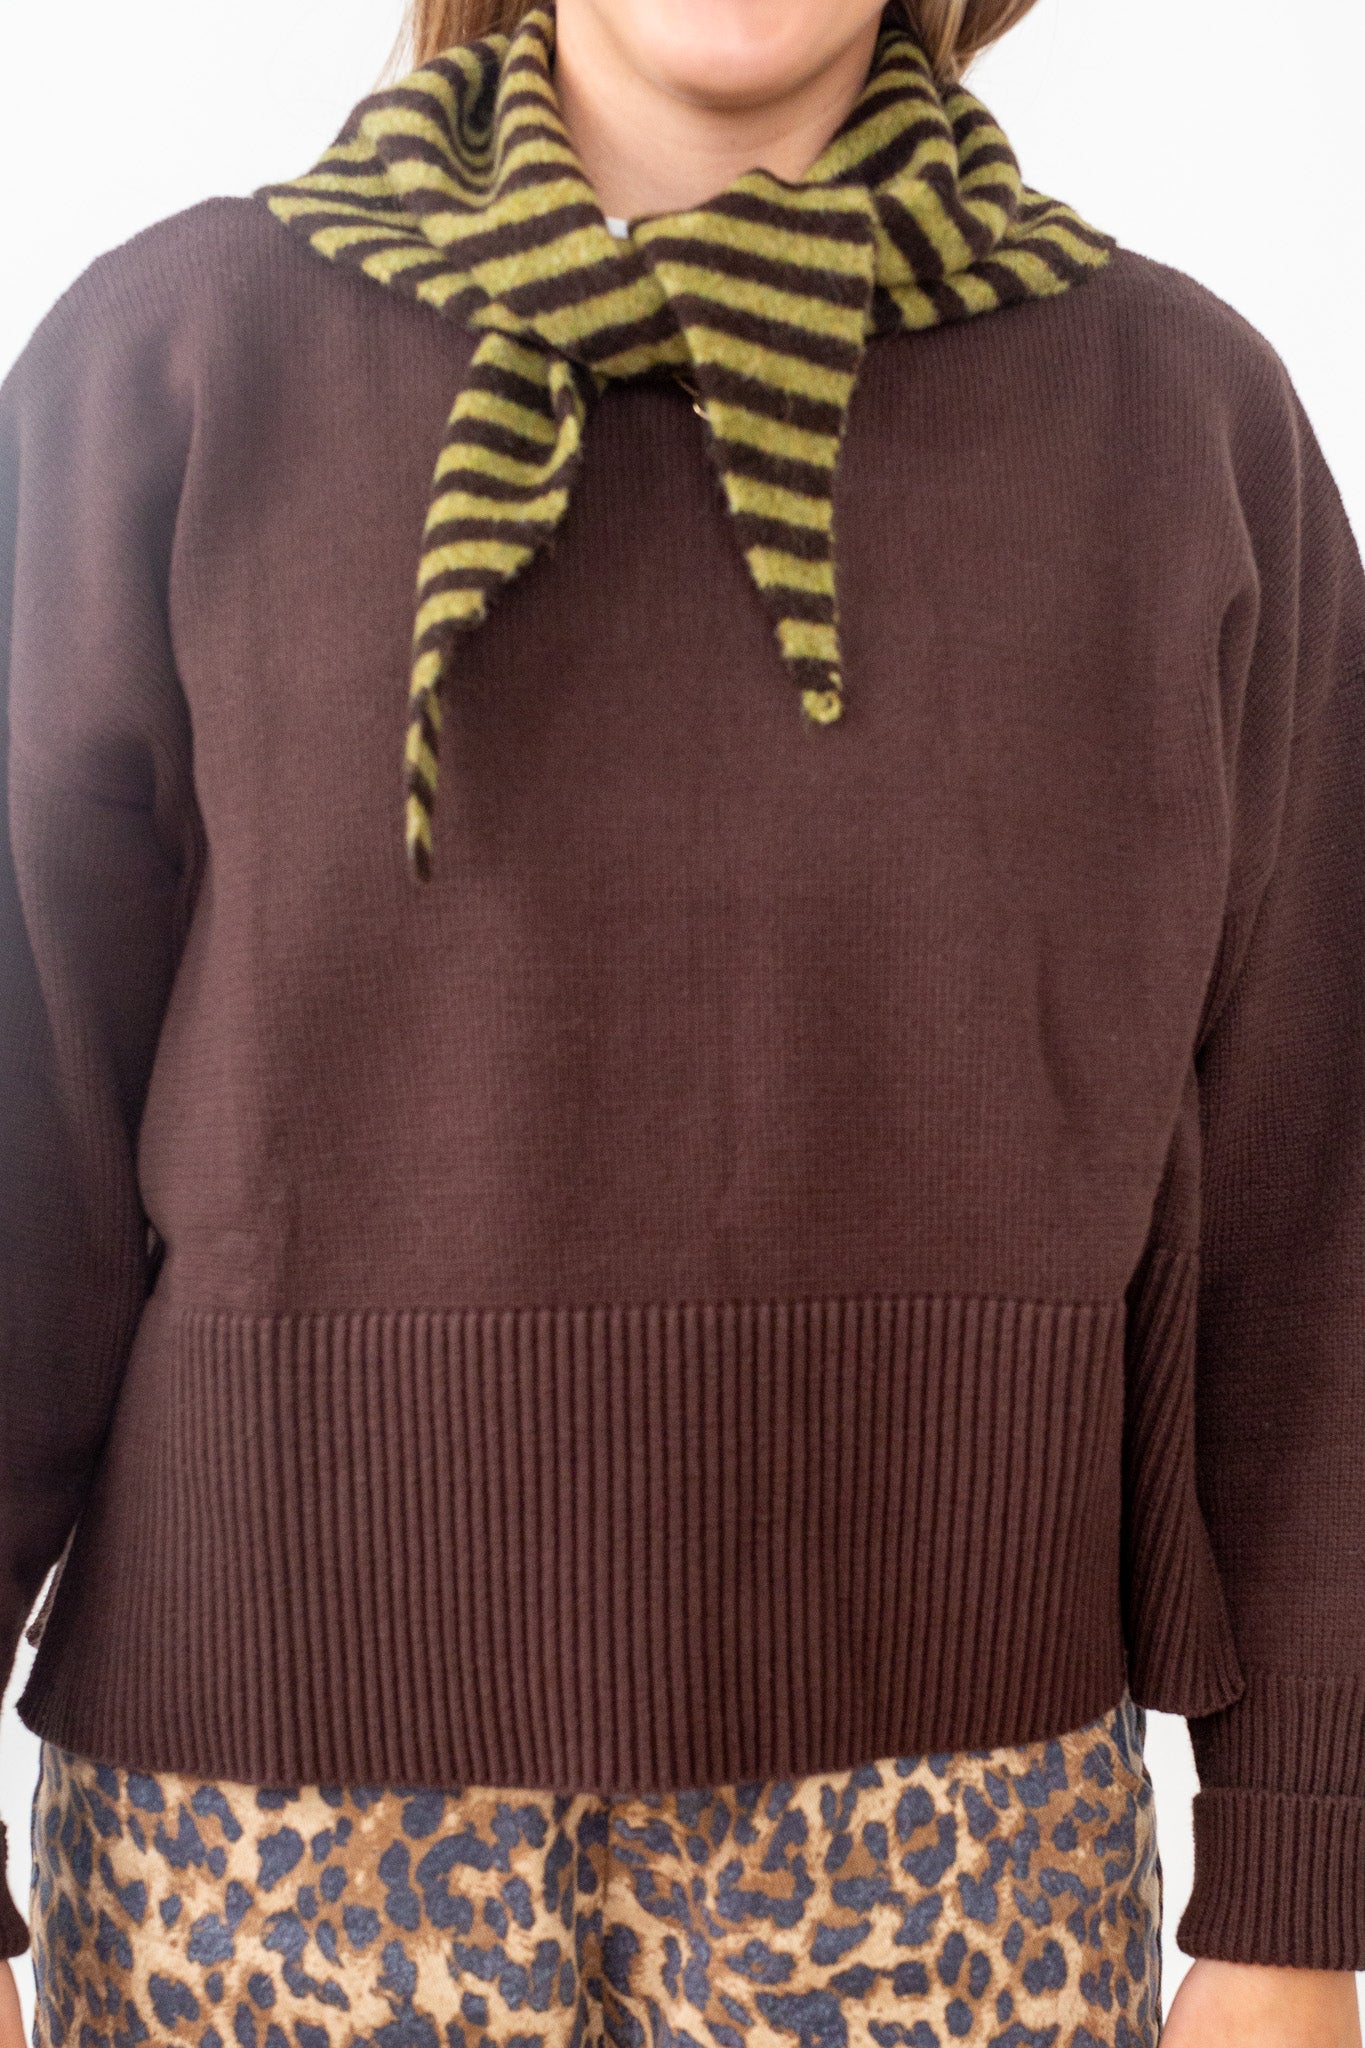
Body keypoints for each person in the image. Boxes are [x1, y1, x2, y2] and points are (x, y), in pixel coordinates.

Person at [1, 0, 1362, 2042]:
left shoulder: (1180, 425)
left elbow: (1315, 1207)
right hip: (254, 1844)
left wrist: (1297, 1887)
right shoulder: (174, 364)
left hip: (951, 1837)